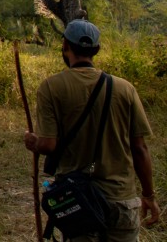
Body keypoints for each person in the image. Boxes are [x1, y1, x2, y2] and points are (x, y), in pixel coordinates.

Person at [24, 19, 160, 241]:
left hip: (77, 200)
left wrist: (33, 142)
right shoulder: (125, 88)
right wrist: (149, 195)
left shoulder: (51, 87)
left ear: (65, 46)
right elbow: (140, 149)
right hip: (121, 200)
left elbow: (48, 145)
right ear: (96, 50)